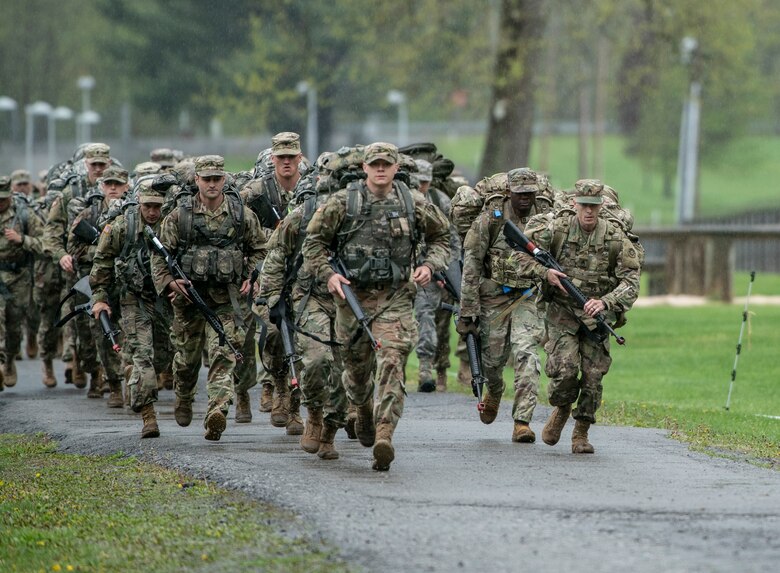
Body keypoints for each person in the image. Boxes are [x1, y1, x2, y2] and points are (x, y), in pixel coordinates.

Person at [302, 142, 450, 471]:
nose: (381, 169)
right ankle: (364, 411)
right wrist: (328, 275)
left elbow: (443, 237)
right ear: (365, 168)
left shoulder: (413, 202)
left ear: (397, 167)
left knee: (392, 360)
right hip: (353, 300)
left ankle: (385, 433)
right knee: (355, 375)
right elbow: (313, 244)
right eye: (375, 164)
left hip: (396, 297)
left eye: (387, 163)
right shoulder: (343, 203)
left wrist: (429, 266)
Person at [518, 179, 641, 453]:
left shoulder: (614, 238)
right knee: (564, 371)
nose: (589, 212)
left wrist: (606, 302)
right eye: (584, 206)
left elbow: (631, 281)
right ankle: (561, 408)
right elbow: (519, 258)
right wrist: (544, 273)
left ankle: (581, 432)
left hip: (595, 317)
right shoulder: (556, 230)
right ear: (574, 204)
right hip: (562, 312)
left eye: (594, 207)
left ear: (601, 207)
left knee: (593, 377)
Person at [151, 155, 266, 441]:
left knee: (224, 353)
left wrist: (252, 277)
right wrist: (169, 282)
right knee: (187, 359)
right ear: (197, 181)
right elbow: (159, 254)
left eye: (217, 179)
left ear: (224, 180)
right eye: (207, 179)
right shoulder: (181, 215)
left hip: (227, 298)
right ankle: (184, 395)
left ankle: (217, 410)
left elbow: (261, 251)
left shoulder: (241, 215)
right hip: (189, 300)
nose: (212, 184)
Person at [255, 159, 346, 459]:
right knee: (318, 362)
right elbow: (276, 258)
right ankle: (315, 416)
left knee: (348, 372)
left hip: (351, 304)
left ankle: (331, 432)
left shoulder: (358, 218)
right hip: (310, 300)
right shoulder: (301, 216)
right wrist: (269, 300)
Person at [458, 168, 552, 442]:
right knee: (492, 361)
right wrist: (468, 311)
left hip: (528, 296)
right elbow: (472, 264)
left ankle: (522, 421)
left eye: (530, 194)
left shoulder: (546, 218)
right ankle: (495, 391)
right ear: (509, 192)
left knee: (526, 353)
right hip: (493, 296)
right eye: (520, 194)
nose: (525, 199)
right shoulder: (491, 219)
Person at [241, 132, 313, 432]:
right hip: (268, 276)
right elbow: (238, 227)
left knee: (302, 339)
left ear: (299, 159)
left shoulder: (311, 189)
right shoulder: (256, 192)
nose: (286, 162)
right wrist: (249, 271)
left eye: (292, 157)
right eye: (281, 157)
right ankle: (278, 381)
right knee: (271, 335)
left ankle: (294, 405)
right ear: (273, 160)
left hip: (304, 277)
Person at [91, 181, 172, 438]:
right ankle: (149, 417)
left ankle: (133, 375)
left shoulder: (170, 226)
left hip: (163, 301)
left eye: (157, 207)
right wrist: (100, 298)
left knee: (163, 356)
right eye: (147, 206)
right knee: (142, 354)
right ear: (139, 203)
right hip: (132, 300)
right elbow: (101, 264)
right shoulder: (121, 228)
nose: (152, 212)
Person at [43, 142, 112, 389]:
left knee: (111, 321)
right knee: (83, 323)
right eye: (94, 165)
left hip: (111, 269)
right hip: (80, 269)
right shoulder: (70, 193)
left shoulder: (117, 190)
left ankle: (109, 375)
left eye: (102, 164)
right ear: (86, 165)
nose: (99, 169)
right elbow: (51, 232)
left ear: (109, 163)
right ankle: (92, 370)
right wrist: (61, 255)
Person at [67, 166, 129, 404]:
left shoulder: (134, 213)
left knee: (133, 333)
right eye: (109, 184)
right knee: (101, 332)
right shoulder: (89, 215)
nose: (113, 188)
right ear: (102, 186)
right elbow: (73, 247)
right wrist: (100, 247)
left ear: (126, 186)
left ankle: (132, 380)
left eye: (118, 184)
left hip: (126, 282)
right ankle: (111, 384)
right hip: (95, 281)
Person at [411, 159, 459, 392]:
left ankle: (441, 371)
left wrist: (450, 271)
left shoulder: (440, 201)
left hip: (441, 271)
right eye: (418, 181)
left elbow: (452, 239)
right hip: (418, 275)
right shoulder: (404, 200)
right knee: (425, 318)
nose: (421, 186)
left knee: (442, 324)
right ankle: (424, 370)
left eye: (425, 182)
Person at [0, 175, 43, 390]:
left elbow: (45, 244)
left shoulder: (24, 214)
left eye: (3, 199)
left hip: (18, 277)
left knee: (15, 327)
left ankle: (8, 360)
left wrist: (22, 240)